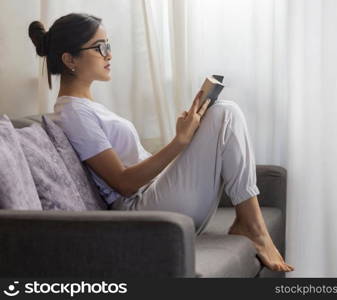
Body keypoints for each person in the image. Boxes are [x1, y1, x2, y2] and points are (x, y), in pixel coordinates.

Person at [28, 13, 294, 273]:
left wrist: (185, 138)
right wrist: (180, 142)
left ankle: (250, 223)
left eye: (108, 45)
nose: (109, 54)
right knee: (225, 114)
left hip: (152, 195)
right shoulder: (74, 113)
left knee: (220, 113)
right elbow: (123, 182)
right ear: (69, 59)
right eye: (100, 47)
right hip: (140, 210)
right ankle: (253, 226)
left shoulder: (85, 107)